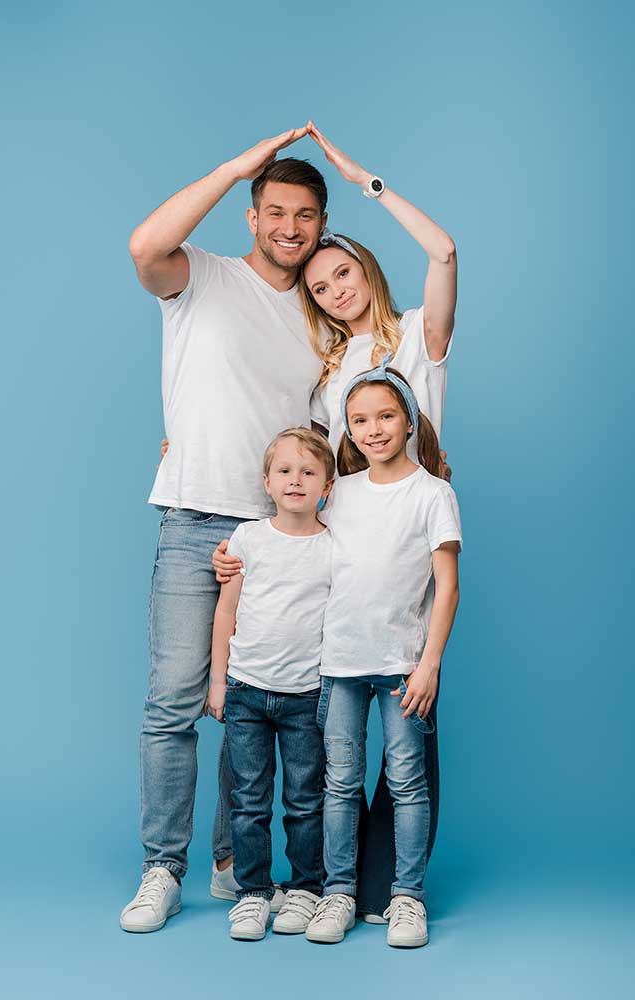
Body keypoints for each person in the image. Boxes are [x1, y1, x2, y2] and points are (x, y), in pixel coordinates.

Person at [212, 122, 458, 922]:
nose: (333, 289)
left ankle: (397, 889)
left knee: (410, 741)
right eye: (318, 287)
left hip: (409, 540)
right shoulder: (327, 376)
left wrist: (364, 181)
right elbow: (303, 461)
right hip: (345, 565)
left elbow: (446, 252)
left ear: (365, 269)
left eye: (342, 273)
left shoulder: (417, 333)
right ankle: (347, 888)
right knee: (341, 753)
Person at [120, 126, 332, 933]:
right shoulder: (199, 275)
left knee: (254, 702)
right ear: (252, 215)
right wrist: (236, 165)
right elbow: (146, 243)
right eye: (274, 209)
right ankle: (161, 870)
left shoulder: (319, 319)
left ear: (319, 224)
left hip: (276, 534)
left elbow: (327, 436)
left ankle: (229, 866)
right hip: (193, 515)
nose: (290, 227)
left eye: (305, 215)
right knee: (174, 701)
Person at [303, 358, 461, 948]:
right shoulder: (336, 492)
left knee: (407, 782)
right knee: (339, 782)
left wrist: (430, 664)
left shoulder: (433, 494)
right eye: (359, 420)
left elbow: (447, 586)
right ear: (346, 428)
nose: (373, 429)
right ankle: (339, 892)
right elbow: (286, 515)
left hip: (403, 668)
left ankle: (406, 898)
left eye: (386, 416)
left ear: (409, 419)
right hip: (340, 663)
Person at [206, 428, 334, 941]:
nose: (295, 480)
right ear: (266, 482)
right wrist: (218, 683)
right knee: (249, 800)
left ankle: (305, 889)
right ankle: (253, 893)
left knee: (305, 799)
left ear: (327, 484)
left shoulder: (334, 546)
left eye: (308, 472)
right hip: (245, 692)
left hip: (306, 696)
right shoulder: (248, 539)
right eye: (284, 471)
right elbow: (226, 613)